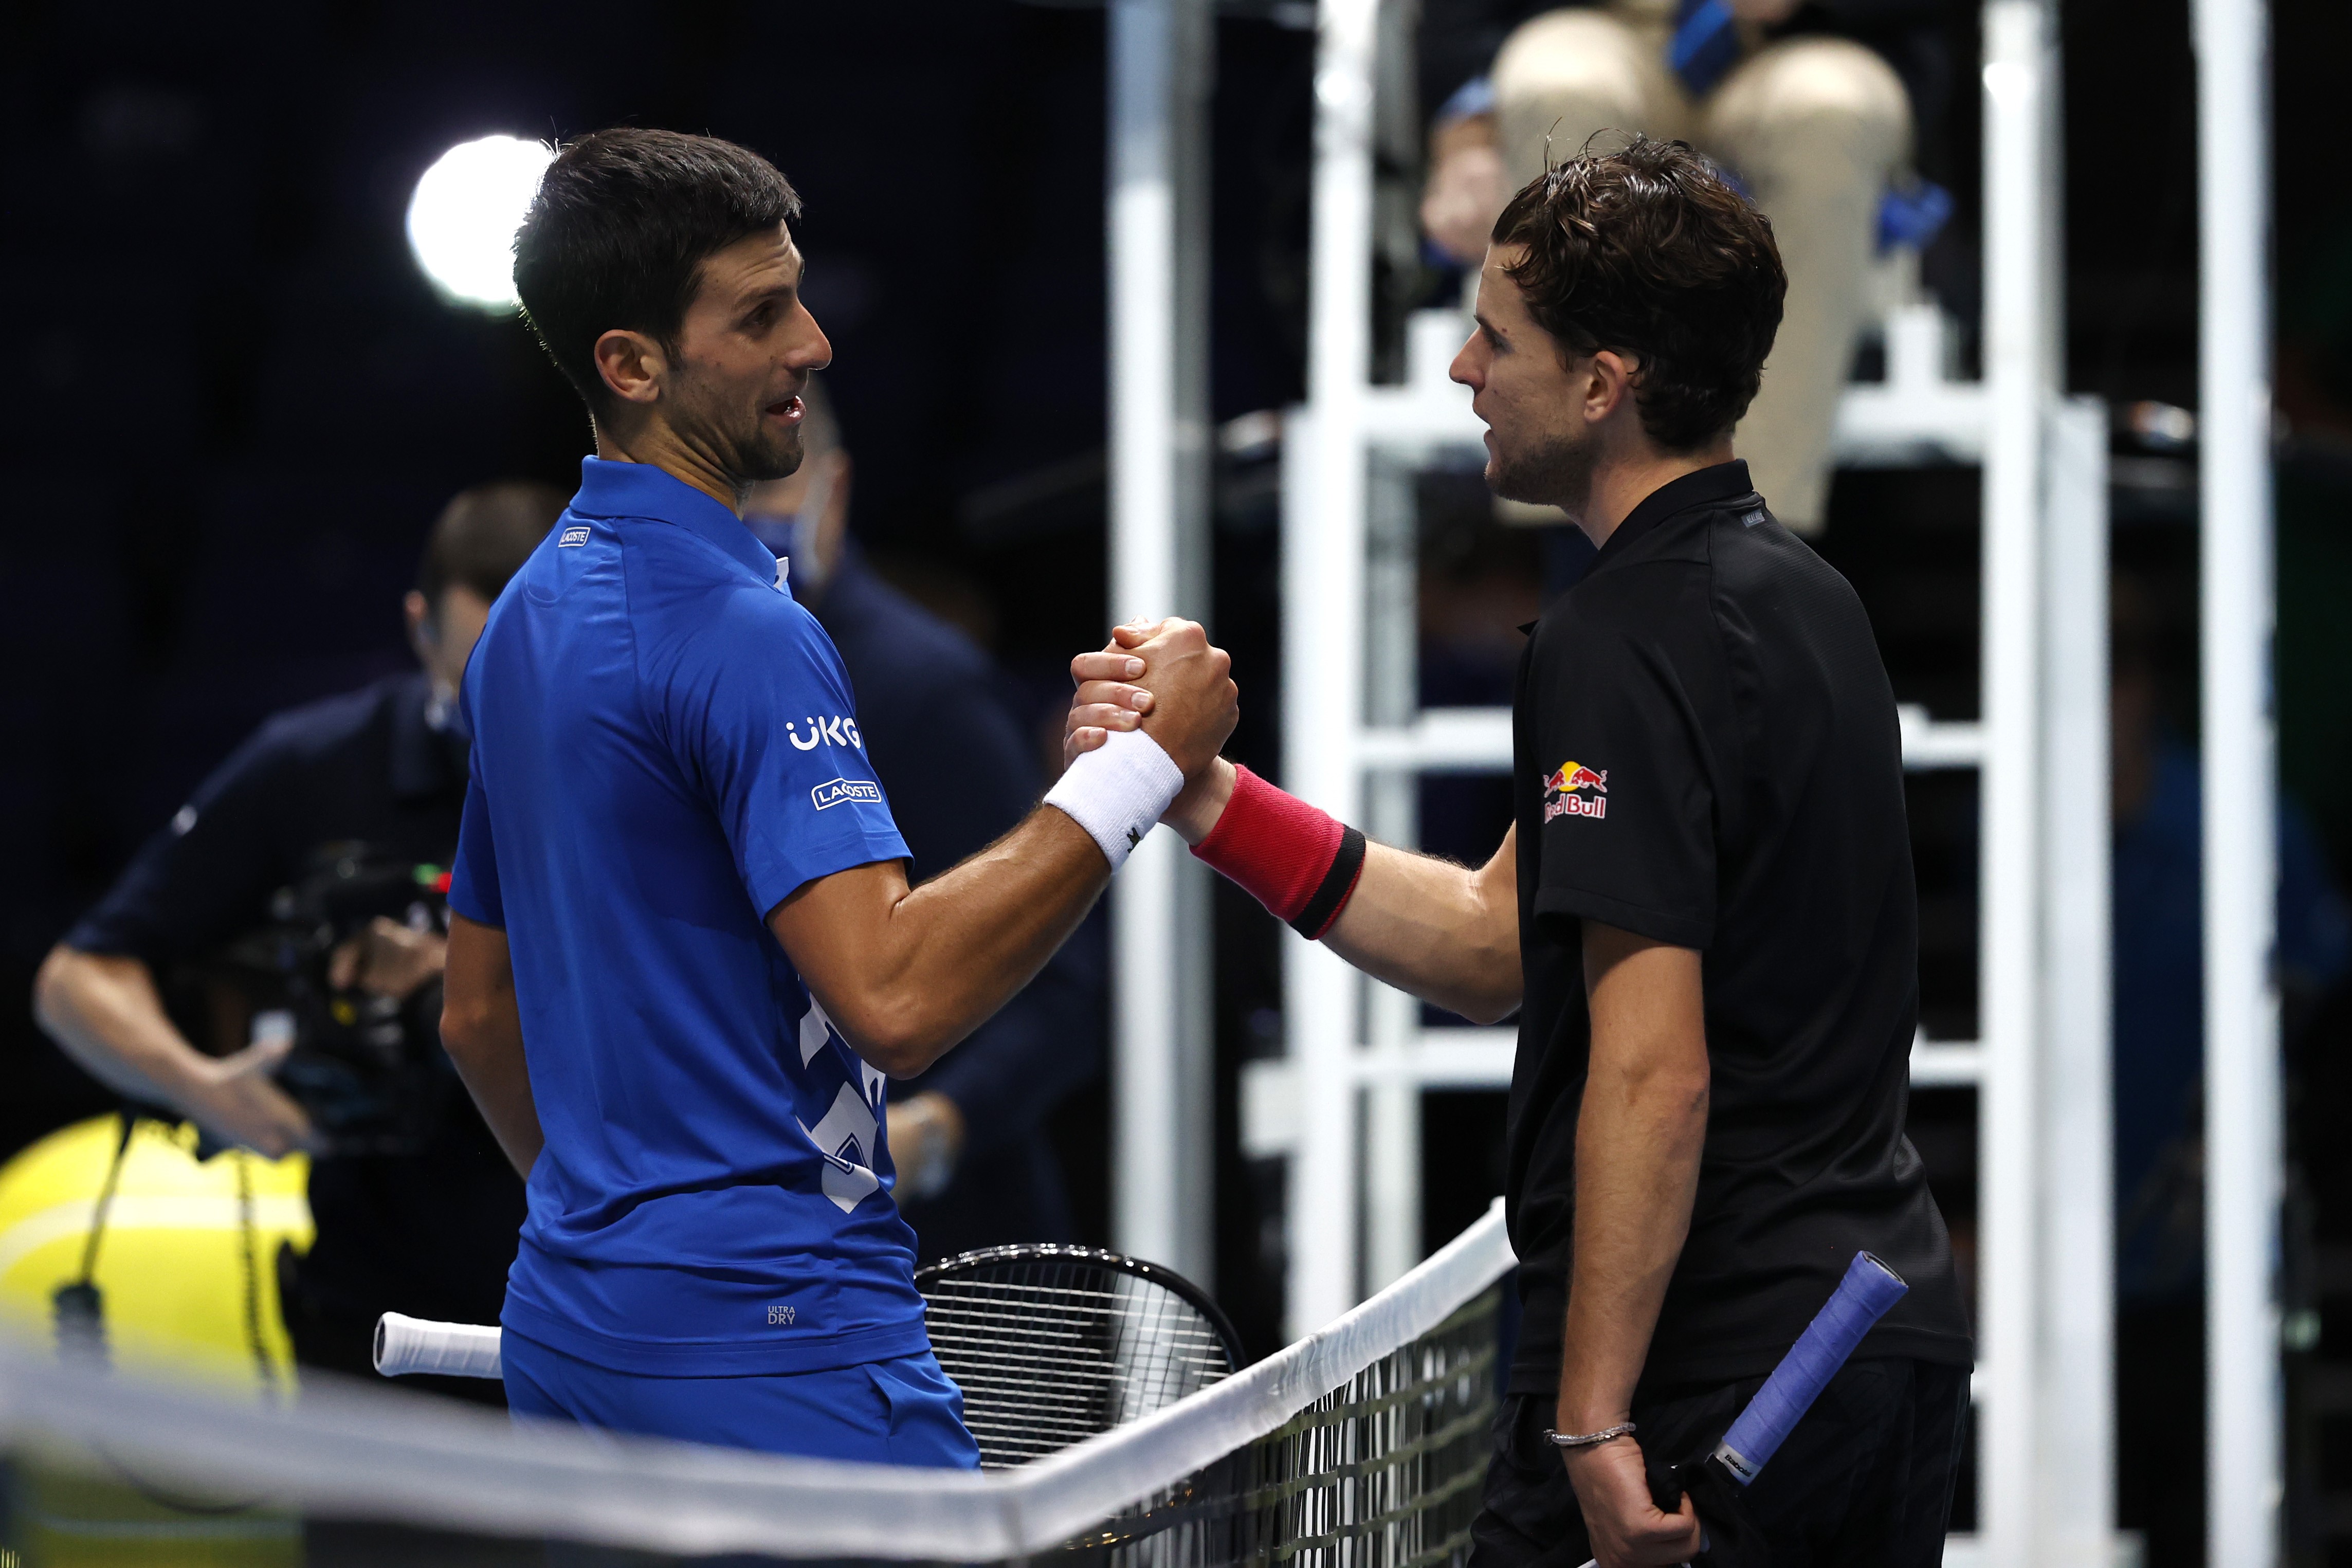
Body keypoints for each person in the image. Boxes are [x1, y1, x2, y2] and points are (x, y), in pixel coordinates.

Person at [1072, 138, 1971, 1565]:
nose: (1460, 371)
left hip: (1710, 1382)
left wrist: (1592, 1422)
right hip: (1864, 1346)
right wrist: (1206, 799)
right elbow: (1501, 938)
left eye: (1493, 338)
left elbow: (1650, 1064)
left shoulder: (1622, 641)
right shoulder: (1804, 600)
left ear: (1601, 382)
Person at [439, 126, 1235, 1465]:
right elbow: (897, 999)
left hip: (574, 1326)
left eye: (796, 292)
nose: (811, 342)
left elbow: (474, 1016)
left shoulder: (521, 616)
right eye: (759, 315)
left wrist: (633, 1250)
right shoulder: (743, 629)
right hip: (781, 1336)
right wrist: (1140, 770)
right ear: (630, 364)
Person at [32, 482, 561, 1395]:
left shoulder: (661, 774)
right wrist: (207, 1092)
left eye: (537, 669)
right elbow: (77, 979)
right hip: (376, 1331)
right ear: (419, 629)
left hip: (608, 1312)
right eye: (478, 675)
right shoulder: (315, 769)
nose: (505, 710)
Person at [742, 381, 1106, 1263]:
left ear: (836, 486)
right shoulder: (641, 694)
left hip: (941, 1258)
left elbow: (1066, 986)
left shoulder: (923, 689)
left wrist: (937, 1127)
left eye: (773, 486)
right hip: (739, 1244)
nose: (747, 519)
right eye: (721, 491)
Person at [1418, 0, 1940, 535]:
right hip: (1601, 31)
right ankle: (1587, 533)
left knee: (1831, 110)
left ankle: (1744, 541)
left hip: (1802, 45)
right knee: (1559, 87)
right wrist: (1467, 140)